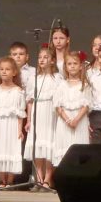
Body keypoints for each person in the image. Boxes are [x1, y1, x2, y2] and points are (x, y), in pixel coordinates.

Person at [0, 57, 27, 187]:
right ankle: (2, 181)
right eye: (2, 69)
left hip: (12, 124)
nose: (4, 72)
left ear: (14, 72)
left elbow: (20, 112)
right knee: (0, 149)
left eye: (7, 69)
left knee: (11, 149)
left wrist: (20, 130)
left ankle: (9, 181)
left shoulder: (18, 91)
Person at [23, 46, 59, 190]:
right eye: (40, 57)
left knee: (49, 144)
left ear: (52, 60)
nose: (42, 60)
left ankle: (47, 179)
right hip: (37, 112)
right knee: (37, 145)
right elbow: (30, 101)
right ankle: (39, 178)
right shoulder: (34, 79)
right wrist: (29, 119)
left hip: (51, 112)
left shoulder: (57, 78)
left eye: (46, 57)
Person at [52, 51, 91, 167]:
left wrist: (76, 120)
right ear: (65, 67)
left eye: (75, 63)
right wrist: (68, 120)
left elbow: (86, 105)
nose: (72, 66)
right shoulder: (61, 85)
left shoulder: (84, 85)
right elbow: (57, 105)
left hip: (80, 121)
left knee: (79, 148)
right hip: (65, 121)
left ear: (80, 66)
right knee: (65, 149)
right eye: (69, 64)